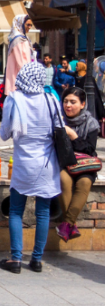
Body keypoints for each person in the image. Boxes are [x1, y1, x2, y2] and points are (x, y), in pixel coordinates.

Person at [0, 61, 62, 273]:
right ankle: (36, 260)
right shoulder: (51, 99)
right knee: (43, 212)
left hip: (24, 163)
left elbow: (4, 134)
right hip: (47, 164)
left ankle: (16, 259)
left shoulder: (14, 99)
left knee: (16, 210)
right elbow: (60, 129)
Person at [57, 87, 98, 242]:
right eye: (66, 101)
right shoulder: (58, 121)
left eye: (73, 102)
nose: (68, 105)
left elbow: (89, 149)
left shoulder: (91, 124)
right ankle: (71, 227)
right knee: (63, 180)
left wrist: (72, 135)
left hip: (85, 165)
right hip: (63, 163)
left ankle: (67, 223)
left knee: (85, 182)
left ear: (82, 104)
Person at [3, 14, 34, 96]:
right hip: (19, 75)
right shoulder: (17, 39)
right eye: (28, 24)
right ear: (20, 24)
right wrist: (27, 76)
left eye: (31, 25)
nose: (30, 27)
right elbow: (20, 60)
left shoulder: (23, 38)